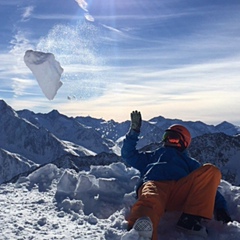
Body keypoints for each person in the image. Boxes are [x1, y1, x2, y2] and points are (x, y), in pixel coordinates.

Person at [121, 110, 232, 240]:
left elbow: (207, 185)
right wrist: (134, 132)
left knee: (210, 171)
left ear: (183, 143)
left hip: (180, 190)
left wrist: (221, 207)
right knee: (149, 197)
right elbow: (128, 155)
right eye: (166, 136)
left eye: (173, 137)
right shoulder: (152, 156)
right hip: (155, 185)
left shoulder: (190, 162)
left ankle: (190, 220)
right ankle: (139, 232)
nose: (168, 140)